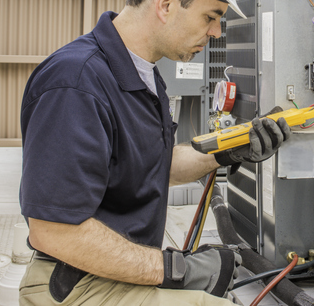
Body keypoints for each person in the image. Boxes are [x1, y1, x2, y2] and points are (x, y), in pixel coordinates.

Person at [18, 0, 291, 305]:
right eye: (211, 17)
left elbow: (155, 166)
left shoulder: (143, 75)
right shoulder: (75, 82)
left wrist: (231, 150)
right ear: (165, 5)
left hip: (114, 274)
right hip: (76, 285)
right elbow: (54, 231)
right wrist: (176, 269)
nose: (216, 32)